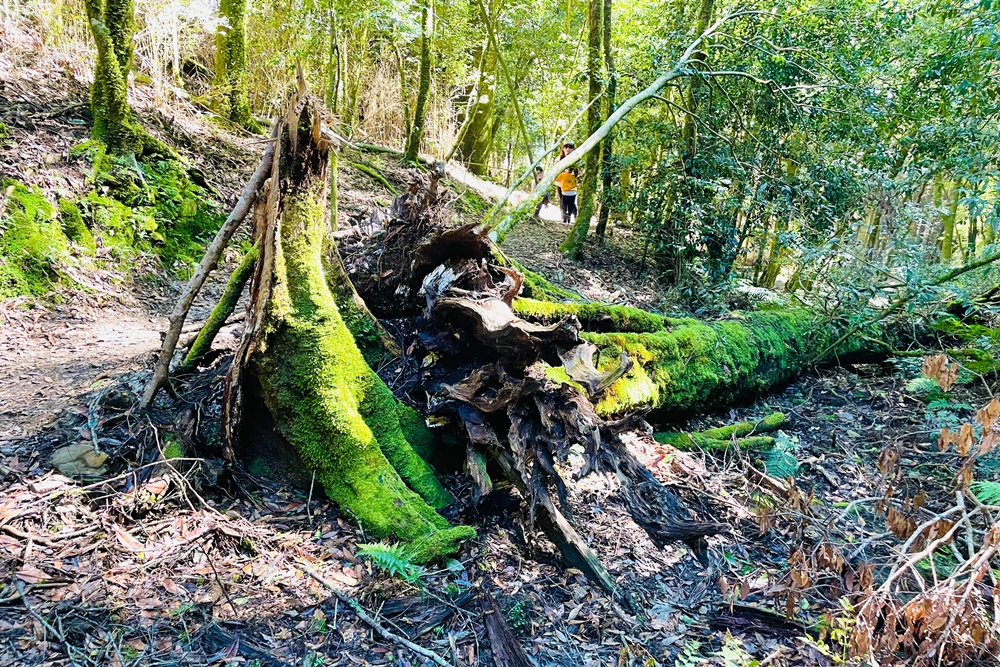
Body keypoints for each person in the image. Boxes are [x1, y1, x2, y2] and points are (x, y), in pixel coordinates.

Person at [555, 142, 575, 219]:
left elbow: (581, 170)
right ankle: (563, 217)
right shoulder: (559, 159)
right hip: (560, 183)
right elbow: (555, 170)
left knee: (572, 201)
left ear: (573, 149)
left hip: (571, 184)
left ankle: (571, 216)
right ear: (563, 149)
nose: (568, 149)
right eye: (566, 147)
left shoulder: (576, 158)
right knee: (562, 200)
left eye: (570, 147)